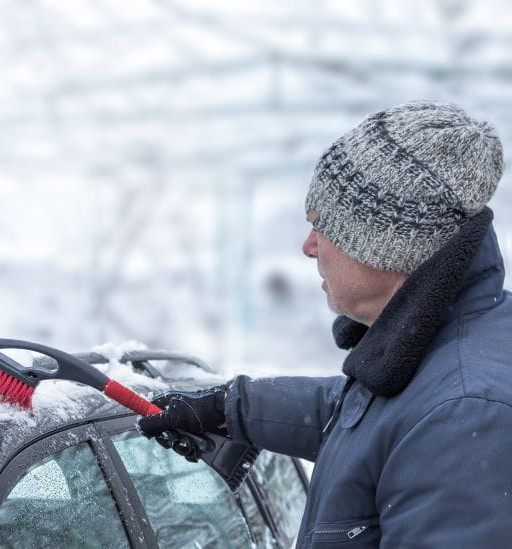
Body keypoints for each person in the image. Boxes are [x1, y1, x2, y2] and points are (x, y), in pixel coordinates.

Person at [139, 101, 512, 548]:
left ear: (383, 244)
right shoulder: (445, 356)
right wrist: (229, 408)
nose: (308, 246)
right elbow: (373, 420)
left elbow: (422, 422)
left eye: (323, 226)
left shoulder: (466, 413)